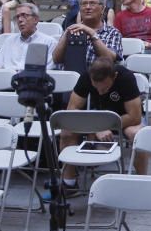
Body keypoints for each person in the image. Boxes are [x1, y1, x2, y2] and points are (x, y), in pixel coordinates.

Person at [56, 57, 142, 194]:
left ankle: (142, 183)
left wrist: (102, 125)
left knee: (138, 135)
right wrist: (97, 127)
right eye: (97, 88)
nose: (101, 92)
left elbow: (135, 116)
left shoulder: (126, 78)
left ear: (114, 76)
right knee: (67, 132)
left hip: (124, 119)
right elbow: (71, 110)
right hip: (98, 118)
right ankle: (69, 183)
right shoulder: (86, 76)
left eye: (105, 88)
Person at [52, 0, 123, 75]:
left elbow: (109, 60)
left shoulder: (112, 33)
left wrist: (92, 33)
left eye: (92, 3)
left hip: (97, 81)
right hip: (68, 81)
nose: (88, 7)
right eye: (84, 4)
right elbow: (56, 59)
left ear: (102, 8)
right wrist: (65, 35)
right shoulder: (72, 30)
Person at [0, 2, 57, 71]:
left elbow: (49, 69)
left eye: (24, 15)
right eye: (17, 17)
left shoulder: (49, 42)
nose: (20, 20)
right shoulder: (9, 41)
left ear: (35, 19)